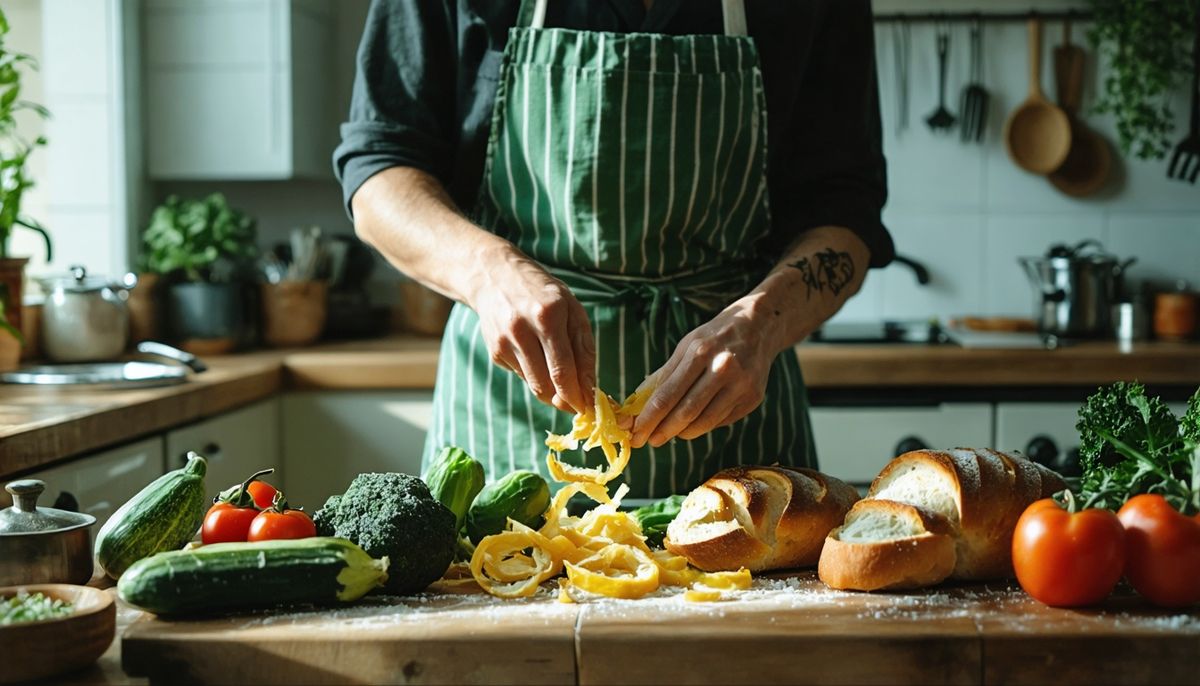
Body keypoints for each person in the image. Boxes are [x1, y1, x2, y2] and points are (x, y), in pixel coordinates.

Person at [334, 0, 893, 499]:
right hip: (505, 427)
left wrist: (763, 323)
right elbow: (378, 174)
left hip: (741, 432)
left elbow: (846, 212)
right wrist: (489, 271)